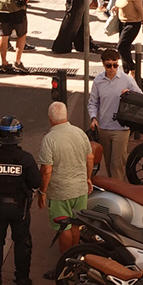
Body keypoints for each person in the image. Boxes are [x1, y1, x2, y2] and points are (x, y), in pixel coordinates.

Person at [0, 115, 42, 285]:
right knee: (22, 243)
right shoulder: (26, 159)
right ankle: (22, 281)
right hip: (19, 209)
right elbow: (36, 182)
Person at [37, 101, 95, 262]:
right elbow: (90, 158)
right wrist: (88, 178)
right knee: (76, 224)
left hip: (59, 192)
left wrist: (42, 192)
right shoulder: (79, 133)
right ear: (66, 115)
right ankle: (75, 256)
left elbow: (46, 170)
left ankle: (65, 260)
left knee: (64, 227)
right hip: (80, 189)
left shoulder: (49, 139)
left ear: (50, 119)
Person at [88, 50, 142, 178]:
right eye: (109, 65)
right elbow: (92, 103)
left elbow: (141, 98)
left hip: (121, 128)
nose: (112, 68)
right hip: (104, 128)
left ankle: (117, 193)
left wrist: (129, 94)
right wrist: (93, 118)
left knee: (117, 164)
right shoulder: (98, 81)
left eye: (115, 65)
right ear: (103, 64)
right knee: (108, 163)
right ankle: (114, 189)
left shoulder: (126, 79)